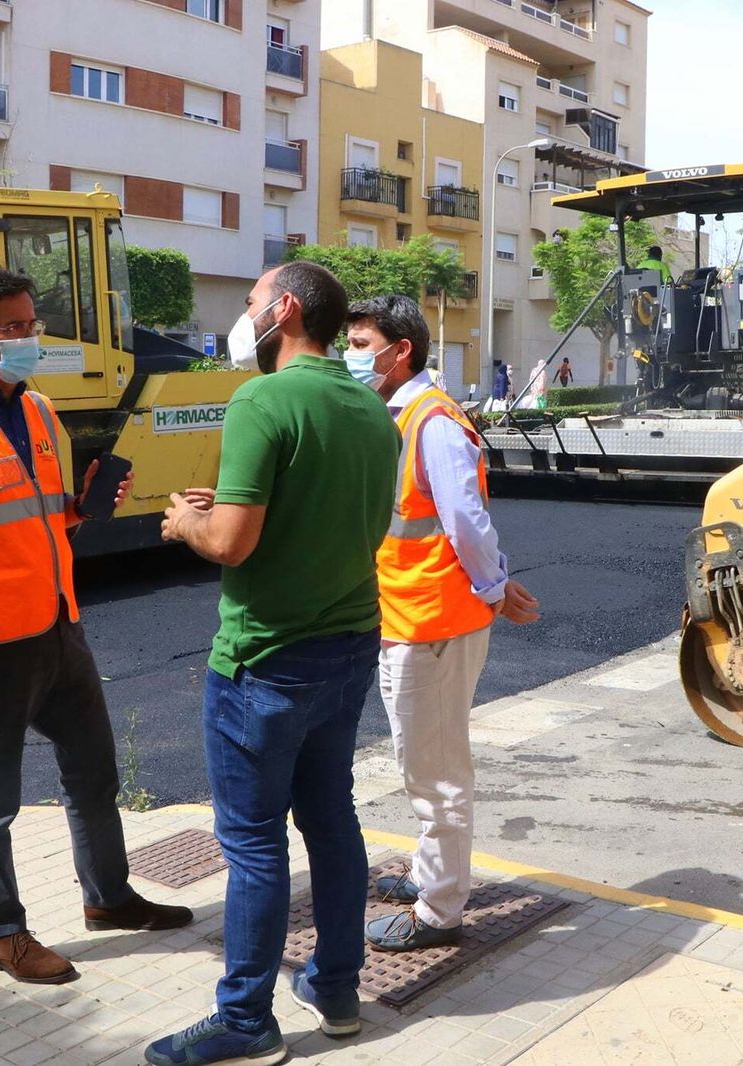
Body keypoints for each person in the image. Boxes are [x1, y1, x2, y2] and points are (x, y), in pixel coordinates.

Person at [0, 266, 192, 988]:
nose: (30, 338)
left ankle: (108, 898)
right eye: (15, 329)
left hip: (58, 625)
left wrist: (86, 505)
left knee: (94, 773)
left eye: (32, 324)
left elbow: (44, 520)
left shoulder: (41, 412)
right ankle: (3, 933)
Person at [151, 261, 399, 1066]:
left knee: (254, 844)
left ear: (285, 310)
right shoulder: (371, 405)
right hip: (351, 644)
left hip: (265, 659)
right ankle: (335, 987)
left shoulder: (263, 398)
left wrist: (184, 523)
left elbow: (230, 541)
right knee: (331, 821)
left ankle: (247, 1020)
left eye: (251, 302)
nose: (243, 314)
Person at [339, 296, 539, 952]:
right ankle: (433, 875)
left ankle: (439, 910)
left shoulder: (433, 423)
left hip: (435, 622)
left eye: (362, 342)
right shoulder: (396, 415)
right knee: (423, 761)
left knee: (438, 768)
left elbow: (465, 521)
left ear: (402, 350)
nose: (352, 354)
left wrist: (495, 587)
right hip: (411, 616)